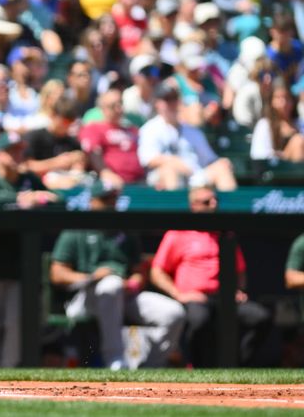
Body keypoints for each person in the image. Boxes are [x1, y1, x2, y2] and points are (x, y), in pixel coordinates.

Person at [50, 181, 185, 370]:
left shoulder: (124, 229)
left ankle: (151, 367)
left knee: (173, 313)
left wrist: (135, 281)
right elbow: (57, 273)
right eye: (106, 199)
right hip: (85, 297)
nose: (111, 203)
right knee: (110, 284)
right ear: (92, 202)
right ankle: (115, 360)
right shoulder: (77, 228)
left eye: (114, 199)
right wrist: (93, 277)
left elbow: (138, 270)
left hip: (123, 294)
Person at [150, 187, 272, 367]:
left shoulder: (225, 234)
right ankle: (195, 367)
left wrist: (238, 290)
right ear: (194, 206)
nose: (213, 205)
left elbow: (239, 270)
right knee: (200, 321)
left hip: (224, 297)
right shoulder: (178, 233)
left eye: (215, 200)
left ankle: (239, 366)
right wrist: (178, 294)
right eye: (207, 202)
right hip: (194, 297)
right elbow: (157, 272)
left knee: (260, 317)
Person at [0, 131, 56, 368]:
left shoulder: (28, 180)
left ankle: (7, 372)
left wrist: (39, 199)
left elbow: (57, 200)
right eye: (12, 151)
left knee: (15, 323)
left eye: (20, 150)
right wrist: (23, 200)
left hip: (20, 264)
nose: (18, 155)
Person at [137, 85, 237, 191]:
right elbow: (148, 159)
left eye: (174, 99)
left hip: (195, 176)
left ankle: (233, 207)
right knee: (169, 169)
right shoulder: (150, 128)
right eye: (167, 100)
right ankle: (177, 207)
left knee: (222, 168)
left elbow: (210, 159)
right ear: (157, 103)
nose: (172, 104)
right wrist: (174, 162)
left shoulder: (192, 131)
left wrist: (221, 163)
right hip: (164, 177)